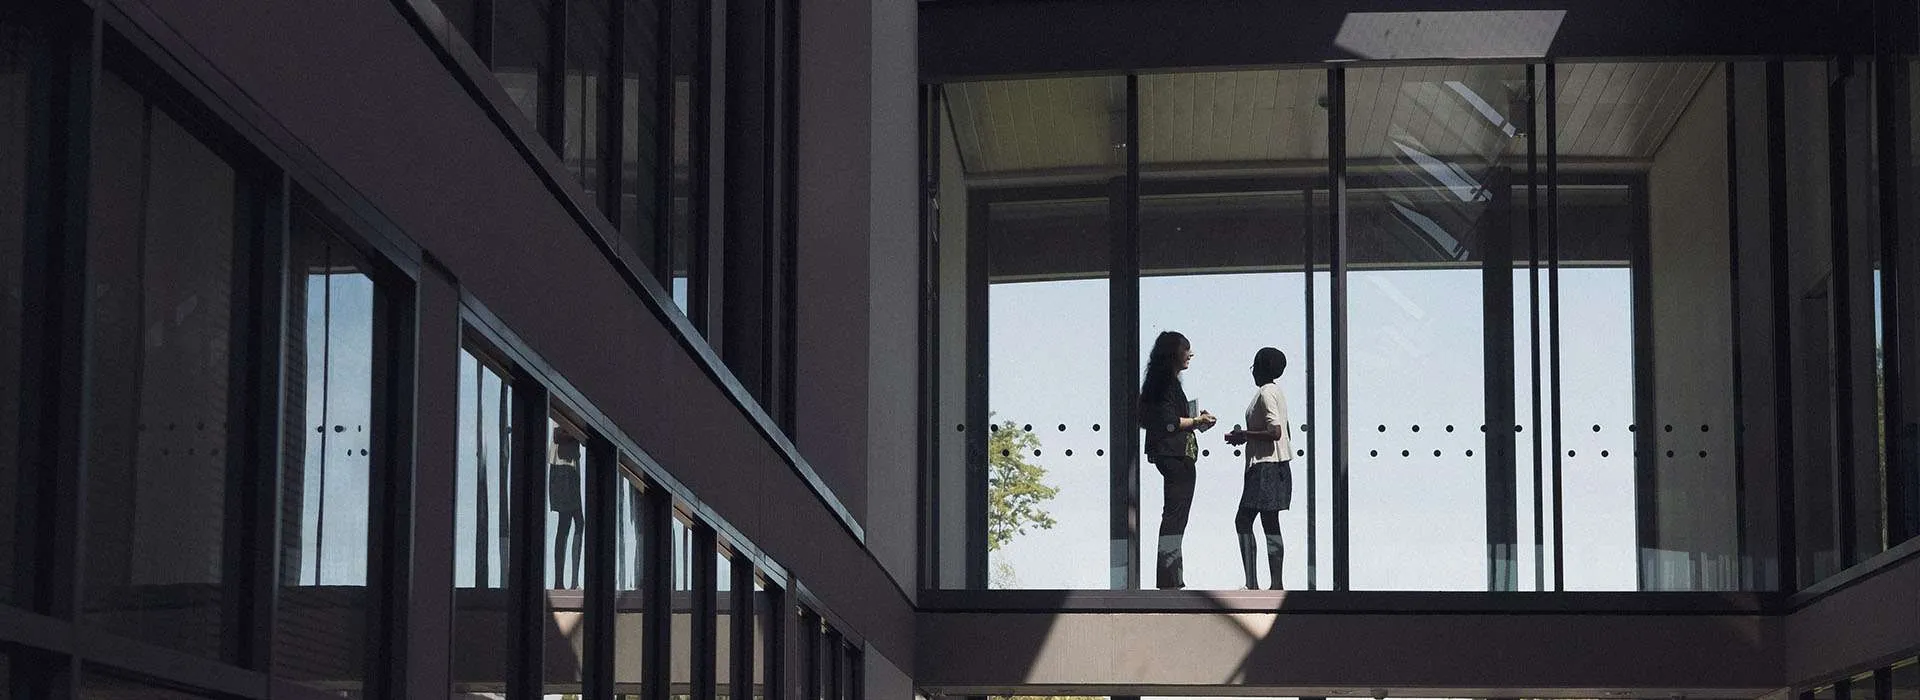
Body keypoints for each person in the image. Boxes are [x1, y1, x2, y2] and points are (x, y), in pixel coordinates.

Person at [1140, 331, 1216, 589]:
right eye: (1186, 349)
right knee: (1175, 517)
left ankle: (1172, 577)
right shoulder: (1166, 385)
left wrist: (1196, 421)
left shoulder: (1161, 383)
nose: (1190, 354)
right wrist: (1197, 421)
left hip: (1171, 454)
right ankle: (1170, 579)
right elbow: (1170, 422)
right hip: (1176, 455)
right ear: (1174, 353)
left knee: (1174, 516)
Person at [1225, 347, 1293, 590]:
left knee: (1243, 521)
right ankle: (1276, 584)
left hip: (1264, 468)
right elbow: (1284, 431)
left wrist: (1245, 434)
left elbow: (1275, 432)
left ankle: (1252, 583)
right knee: (1270, 523)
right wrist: (1247, 437)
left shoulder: (1265, 394)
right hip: (1278, 466)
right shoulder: (1277, 393)